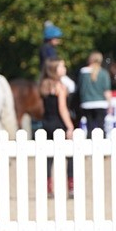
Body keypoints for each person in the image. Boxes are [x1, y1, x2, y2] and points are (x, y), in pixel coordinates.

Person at [39, 58, 74, 197]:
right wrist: (70, 126)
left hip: (46, 123)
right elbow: (62, 108)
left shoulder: (44, 85)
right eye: (62, 66)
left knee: (48, 158)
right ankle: (71, 186)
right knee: (70, 155)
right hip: (59, 124)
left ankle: (48, 187)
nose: (64, 69)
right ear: (55, 70)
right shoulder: (60, 86)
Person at [77, 51, 112, 135]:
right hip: (100, 103)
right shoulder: (103, 73)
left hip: (87, 103)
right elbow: (107, 91)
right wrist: (109, 104)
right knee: (101, 127)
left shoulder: (83, 72)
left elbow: (79, 88)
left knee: (89, 127)